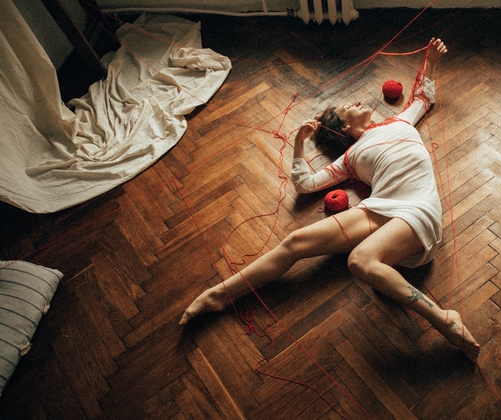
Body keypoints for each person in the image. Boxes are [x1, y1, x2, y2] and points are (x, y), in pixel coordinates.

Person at [180, 38, 481, 362]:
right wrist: (298, 143)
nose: (356, 102)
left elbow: (423, 97)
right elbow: (305, 185)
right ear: (345, 126)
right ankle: (219, 295)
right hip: (380, 207)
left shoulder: (400, 121)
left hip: (417, 206)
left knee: (360, 261)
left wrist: (430, 60)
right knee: (295, 242)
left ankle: (442, 318)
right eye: (347, 106)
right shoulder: (349, 159)